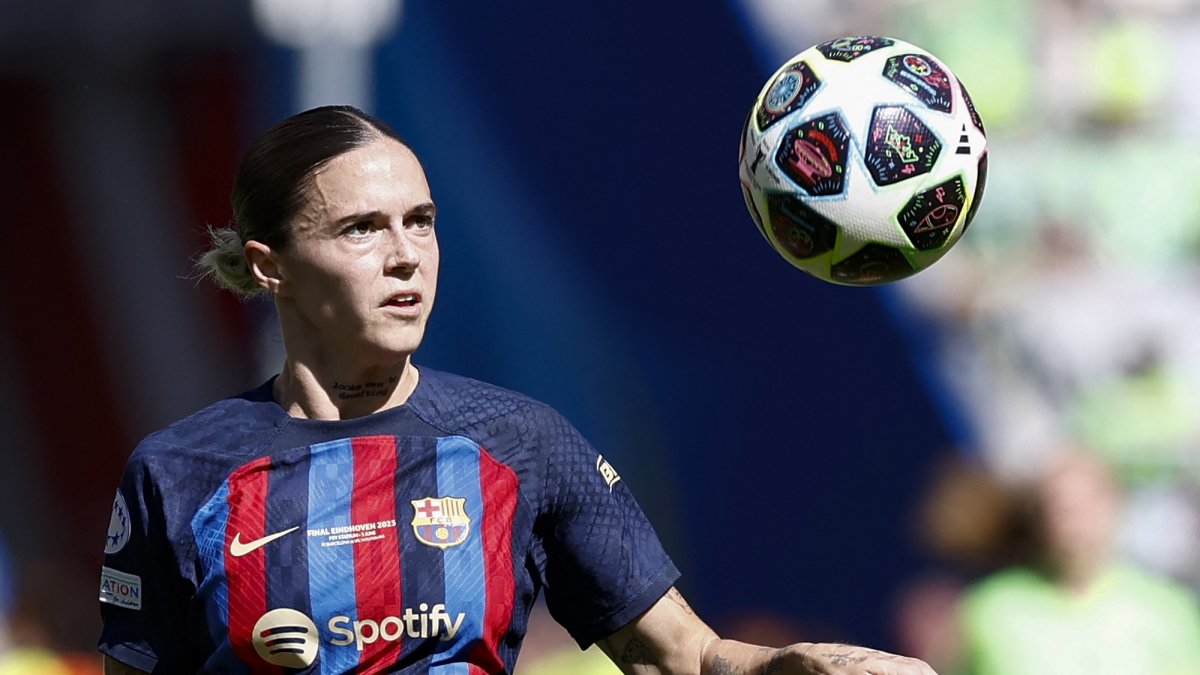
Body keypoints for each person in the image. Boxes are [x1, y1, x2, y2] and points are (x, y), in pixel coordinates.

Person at [97, 105, 938, 675]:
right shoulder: (179, 470)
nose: (406, 255)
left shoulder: (520, 440)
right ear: (269, 265)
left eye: (421, 221)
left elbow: (679, 653)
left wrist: (783, 664)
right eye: (362, 228)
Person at [957, 448, 1200, 675]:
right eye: (1060, 509)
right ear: (1039, 517)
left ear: (1114, 505)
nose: (1072, 524)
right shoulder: (990, 609)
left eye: (1083, 506)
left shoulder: (1167, 609)